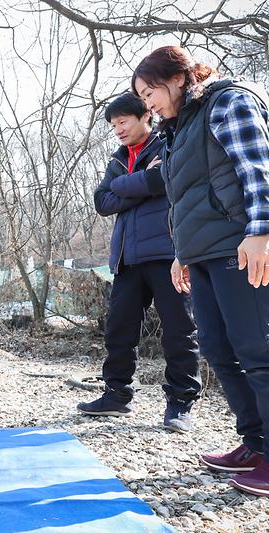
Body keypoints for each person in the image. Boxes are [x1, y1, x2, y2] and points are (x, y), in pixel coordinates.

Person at [133, 45, 269, 496]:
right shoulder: (180, 128)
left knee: (257, 352)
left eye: (149, 91)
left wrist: (262, 231)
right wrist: (181, 252)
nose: (146, 103)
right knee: (217, 348)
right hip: (204, 253)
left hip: (241, 245)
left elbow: (258, 169)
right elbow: (184, 198)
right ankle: (255, 444)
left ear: (176, 78)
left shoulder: (228, 102)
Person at [76, 92, 202, 432]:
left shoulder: (166, 144)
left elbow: (162, 180)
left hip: (167, 254)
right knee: (119, 330)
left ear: (145, 116)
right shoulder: (117, 160)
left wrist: (126, 187)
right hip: (126, 259)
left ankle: (181, 402)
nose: (118, 129)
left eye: (123, 121)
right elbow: (102, 201)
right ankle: (116, 395)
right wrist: (136, 183)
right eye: (113, 124)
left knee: (179, 330)